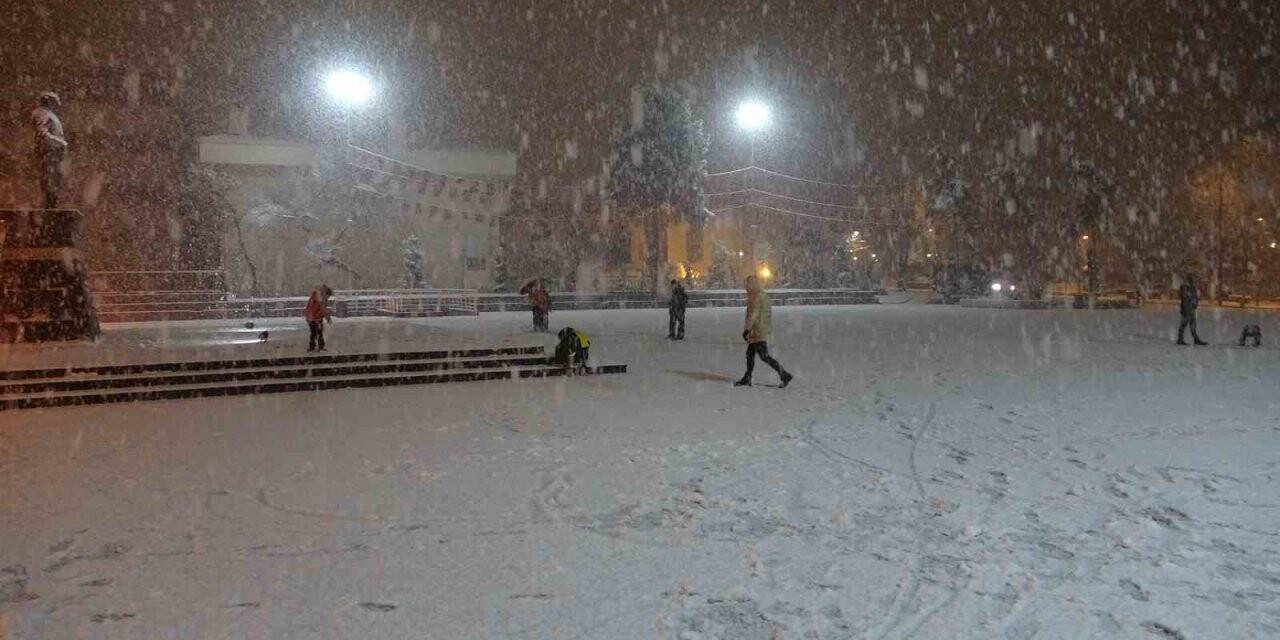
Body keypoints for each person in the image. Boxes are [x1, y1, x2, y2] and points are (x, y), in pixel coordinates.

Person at [735, 275, 793, 388]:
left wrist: (747, 329)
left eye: (747, 284)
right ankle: (747, 377)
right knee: (750, 354)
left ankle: (784, 374)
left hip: (757, 330)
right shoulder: (763, 295)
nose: (745, 287)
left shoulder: (756, 297)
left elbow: (754, 314)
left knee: (763, 356)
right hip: (761, 329)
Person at [31, 91, 67, 209]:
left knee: (54, 185)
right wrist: (60, 143)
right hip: (49, 154)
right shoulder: (43, 113)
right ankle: (49, 213)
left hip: (53, 155)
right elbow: (42, 133)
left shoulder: (48, 114)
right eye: (55, 102)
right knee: (50, 186)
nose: (57, 105)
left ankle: (51, 211)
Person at [1176, 274, 1208, 346]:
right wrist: (1192, 302)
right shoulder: (1185, 287)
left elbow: (1194, 297)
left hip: (1190, 309)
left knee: (1192, 325)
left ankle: (1194, 339)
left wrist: (1195, 303)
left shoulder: (1191, 287)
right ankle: (1181, 339)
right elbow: (1186, 297)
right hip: (1187, 309)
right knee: (1184, 325)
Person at [305, 285, 334, 351]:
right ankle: (318, 347)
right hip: (315, 317)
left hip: (312, 317)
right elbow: (323, 309)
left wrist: (309, 317)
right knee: (318, 332)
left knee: (314, 332)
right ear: (326, 294)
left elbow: (309, 307)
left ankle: (312, 347)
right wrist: (327, 318)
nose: (328, 298)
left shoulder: (316, 296)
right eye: (328, 296)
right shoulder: (321, 298)